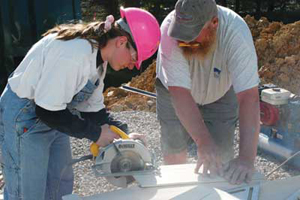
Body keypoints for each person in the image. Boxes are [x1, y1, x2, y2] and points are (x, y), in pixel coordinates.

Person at [0, 7, 160, 200]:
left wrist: (125, 135)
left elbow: (94, 111)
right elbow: (46, 111)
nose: (132, 66)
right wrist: (96, 134)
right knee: (27, 192)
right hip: (25, 117)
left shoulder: (99, 62)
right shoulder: (75, 54)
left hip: (55, 114)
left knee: (60, 186)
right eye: (134, 58)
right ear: (121, 42)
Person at [156, 0, 260, 185]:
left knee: (221, 160)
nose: (185, 41)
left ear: (214, 23)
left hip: (220, 92)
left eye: (192, 35)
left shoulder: (236, 32)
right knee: (174, 154)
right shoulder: (169, 31)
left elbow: (248, 97)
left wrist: (246, 159)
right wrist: (203, 141)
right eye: (182, 34)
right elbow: (180, 93)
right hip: (174, 93)